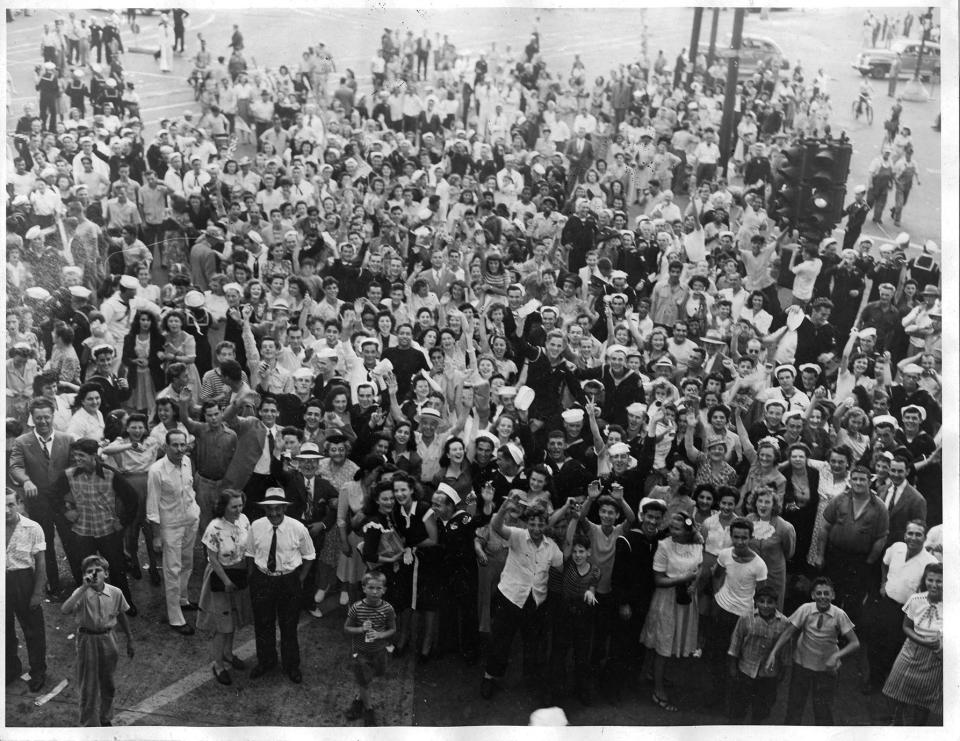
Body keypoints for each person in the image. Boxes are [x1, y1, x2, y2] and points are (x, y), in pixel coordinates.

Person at [480, 496, 563, 702]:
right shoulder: (517, 535)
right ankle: (490, 677)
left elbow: (561, 566)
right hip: (510, 597)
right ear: (527, 523)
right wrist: (503, 508)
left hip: (534, 602)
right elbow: (497, 525)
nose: (536, 528)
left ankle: (532, 680)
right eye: (532, 524)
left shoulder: (552, 547)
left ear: (546, 525)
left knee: (533, 645)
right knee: (501, 642)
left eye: (540, 524)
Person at [766, 576, 861, 725]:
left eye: (826, 593)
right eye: (819, 593)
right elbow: (788, 632)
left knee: (823, 710)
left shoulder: (839, 615)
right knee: (794, 707)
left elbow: (855, 643)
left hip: (825, 669)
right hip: (802, 665)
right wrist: (773, 653)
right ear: (813, 595)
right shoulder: (805, 609)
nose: (822, 597)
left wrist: (836, 656)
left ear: (833, 595)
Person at [245, 487, 316, 683]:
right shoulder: (256, 526)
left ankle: (291, 666)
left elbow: (309, 555)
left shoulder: (298, 528)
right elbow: (250, 553)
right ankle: (266, 661)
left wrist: (299, 578)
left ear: (284, 508)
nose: (274, 513)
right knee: (263, 624)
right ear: (264, 509)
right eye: (269, 509)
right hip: (263, 578)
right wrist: (253, 577)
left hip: (288, 580)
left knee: (289, 626)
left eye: (278, 508)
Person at [8, 397, 76, 597]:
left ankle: (81, 581)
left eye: (47, 417)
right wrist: (26, 480)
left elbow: (74, 467)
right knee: (44, 544)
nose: (43, 422)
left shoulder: (67, 439)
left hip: (64, 502)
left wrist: (71, 500)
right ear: (32, 418)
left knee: (72, 541)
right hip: (38, 502)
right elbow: (16, 466)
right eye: (39, 418)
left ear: (53, 415)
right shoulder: (22, 442)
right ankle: (53, 585)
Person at [639, 512, 703, 712]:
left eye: (677, 529)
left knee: (675, 641)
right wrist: (681, 580)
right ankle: (657, 689)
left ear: (687, 530)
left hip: (687, 599)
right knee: (663, 643)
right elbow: (658, 579)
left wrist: (695, 583)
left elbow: (699, 567)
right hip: (666, 600)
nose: (672, 532)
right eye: (671, 528)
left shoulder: (697, 544)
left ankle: (656, 676)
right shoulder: (664, 546)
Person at [60, 554, 134, 726]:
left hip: (109, 638)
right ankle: (89, 724)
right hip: (88, 641)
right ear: (84, 575)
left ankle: (105, 717)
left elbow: (121, 614)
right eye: (89, 571)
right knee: (89, 685)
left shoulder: (115, 592)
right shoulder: (81, 594)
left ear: (106, 574)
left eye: (98, 570)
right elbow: (65, 609)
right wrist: (83, 588)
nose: (94, 574)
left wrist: (130, 639)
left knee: (108, 683)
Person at [147, 429, 201, 635]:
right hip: (170, 526)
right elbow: (152, 506)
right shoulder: (156, 470)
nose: (179, 449)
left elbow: (190, 489)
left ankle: (183, 599)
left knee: (187, 563)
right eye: (175, 445)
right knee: (172, 569)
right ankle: (176, 618)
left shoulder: (187, 461)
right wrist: (157, 535)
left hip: (189, 520)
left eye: (182, 445)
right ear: (166, 446)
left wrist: (195, 511)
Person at [198, 488, 254, 686]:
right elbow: (212, 559)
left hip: (239, 574)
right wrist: (226, 581)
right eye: (234, 506)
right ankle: (218, 664)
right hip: (221, 577)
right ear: (224, 507)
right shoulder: (214, 527)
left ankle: (229, 653)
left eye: (240, 505)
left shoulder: (245, 520)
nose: (238, 510)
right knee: (222, 626)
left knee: (234, 618)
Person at [882, 562, 943, 725]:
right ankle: (897, 723)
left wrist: (939, 645)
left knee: (923, 702)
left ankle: (918, 731)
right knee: (894, 691)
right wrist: (922, 641)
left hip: (936, 657)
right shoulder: (916, 599)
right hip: (911, 650)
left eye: (939, 581)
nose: (934, 585)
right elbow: (906, 627)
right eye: (930, 580)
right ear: (925, 580)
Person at [5, 488, 48, 693]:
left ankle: (38, 671)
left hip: (24, 581)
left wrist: (38, 593)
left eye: (10, 504)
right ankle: (11, 668)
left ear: (19, 503)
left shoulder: (33, 528)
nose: (5, 510)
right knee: (4, 631)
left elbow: (40, 564)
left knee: (33, 631)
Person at [344, 570, 397, 727]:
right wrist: (360, 629)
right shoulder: (356, 608)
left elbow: (392, 629)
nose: (375, 592)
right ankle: (369, 710)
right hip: (360, 652)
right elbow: (346, 628)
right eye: (371, 588)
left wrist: (380, 635)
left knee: (377, 673)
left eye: (378, 588)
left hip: (379, 652)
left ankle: (359, 699)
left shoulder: (388, 609)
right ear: (364, 588)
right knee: (363, 681)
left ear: (384, 590)